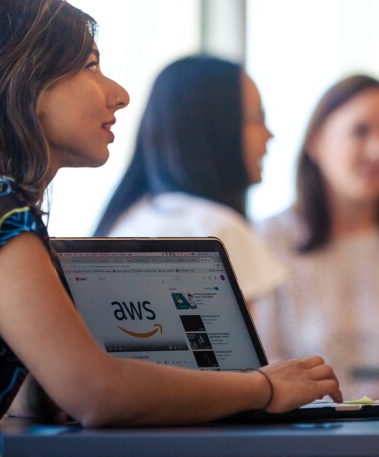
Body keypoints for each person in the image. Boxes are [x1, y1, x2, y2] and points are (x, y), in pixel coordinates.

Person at [0, 0, 340, 456]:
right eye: (90, 65)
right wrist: (265, 388)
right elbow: (98, 393)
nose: (119, 95)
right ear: (27, 85)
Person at [256, 75, 379, 399]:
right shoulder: (271, 238)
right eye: (361, 131)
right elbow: (263, 366)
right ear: (316, 141)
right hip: (305, 440)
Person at [94, 56, 286, 300]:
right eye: (256, 118)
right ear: (214, 129)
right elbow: (256, 338)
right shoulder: (219, 231)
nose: (269, 134)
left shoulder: (129, 219)